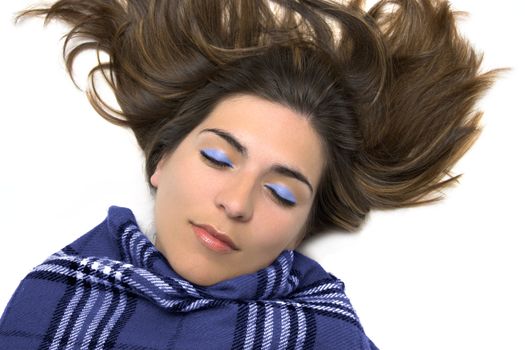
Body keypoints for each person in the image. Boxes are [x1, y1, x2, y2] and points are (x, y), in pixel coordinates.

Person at [0, 0, 499, 349]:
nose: (237, 203)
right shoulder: (61, 292)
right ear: (162, 161)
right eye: (218, 159)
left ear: (303, 228)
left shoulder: (323, 333)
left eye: (281, 193)